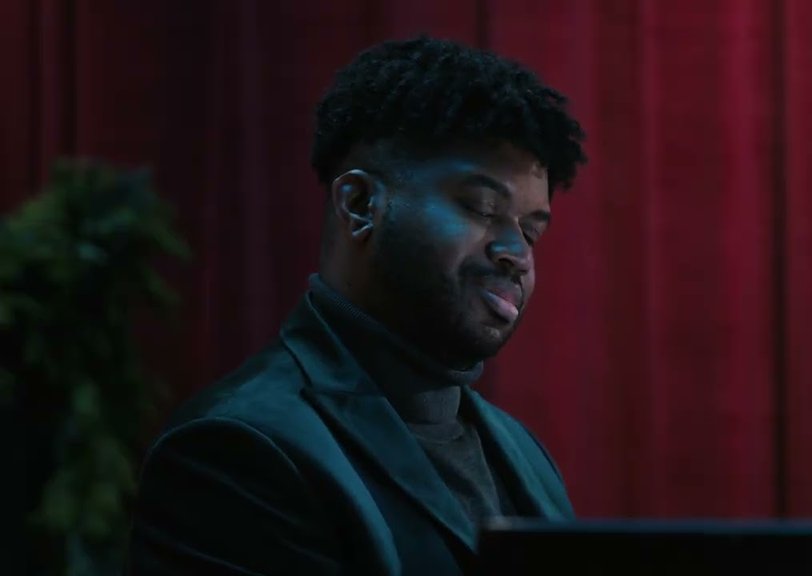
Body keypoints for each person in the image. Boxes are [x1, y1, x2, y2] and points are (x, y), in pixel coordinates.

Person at [126, 36, 587, 575]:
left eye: (531, 231)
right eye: (483, 209)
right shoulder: (234, 448)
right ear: (361, 204)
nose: (516, 254)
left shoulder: (522, 452)